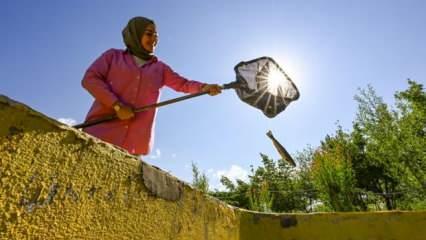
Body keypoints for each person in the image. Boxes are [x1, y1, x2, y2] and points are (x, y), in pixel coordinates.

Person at [82, 16, 222, 156]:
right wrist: (117, 105)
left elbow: (183, 84)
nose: (154, 39)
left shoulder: (161, 68)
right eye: (149, 34)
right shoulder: (112, 56)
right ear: (135, 34)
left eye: (156, 35)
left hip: (134, 146)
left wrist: (204, 87)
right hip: (98, 134)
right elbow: (90, 79)